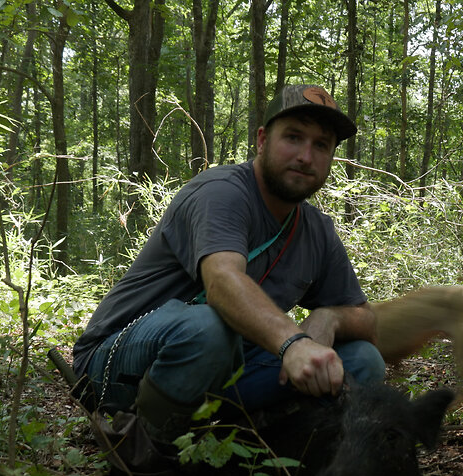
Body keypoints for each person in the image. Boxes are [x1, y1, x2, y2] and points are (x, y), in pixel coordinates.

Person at [72, 84, 384, 455]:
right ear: (263, 140)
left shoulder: (317, 231)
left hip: (226, 365)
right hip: (116, 360)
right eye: (294, 137)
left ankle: (255, 458)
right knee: (207, 328)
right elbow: (223, 282)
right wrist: (293, 342)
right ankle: (148, 461)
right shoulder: (222, 192)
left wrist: (329, 317)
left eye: (321, 145)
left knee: (362, 362)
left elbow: (366, 319)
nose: (305, 156)